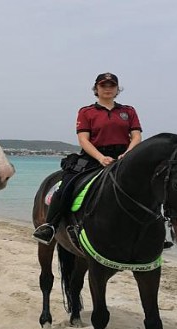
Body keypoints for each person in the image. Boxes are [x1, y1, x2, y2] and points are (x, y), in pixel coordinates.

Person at [33, 72, 142, 244]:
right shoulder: (86, 112)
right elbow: (83, 139)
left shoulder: (128, 111)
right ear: (96, 89)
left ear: (117, 89)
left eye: (111, 86)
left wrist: (127, 154)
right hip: (94, 156)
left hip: (124, 156)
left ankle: (154, 230)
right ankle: (51, 226)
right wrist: (100, 158)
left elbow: (136, 136)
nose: (107, 89)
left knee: (151, 184)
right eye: (103, 86)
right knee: (66, 185)